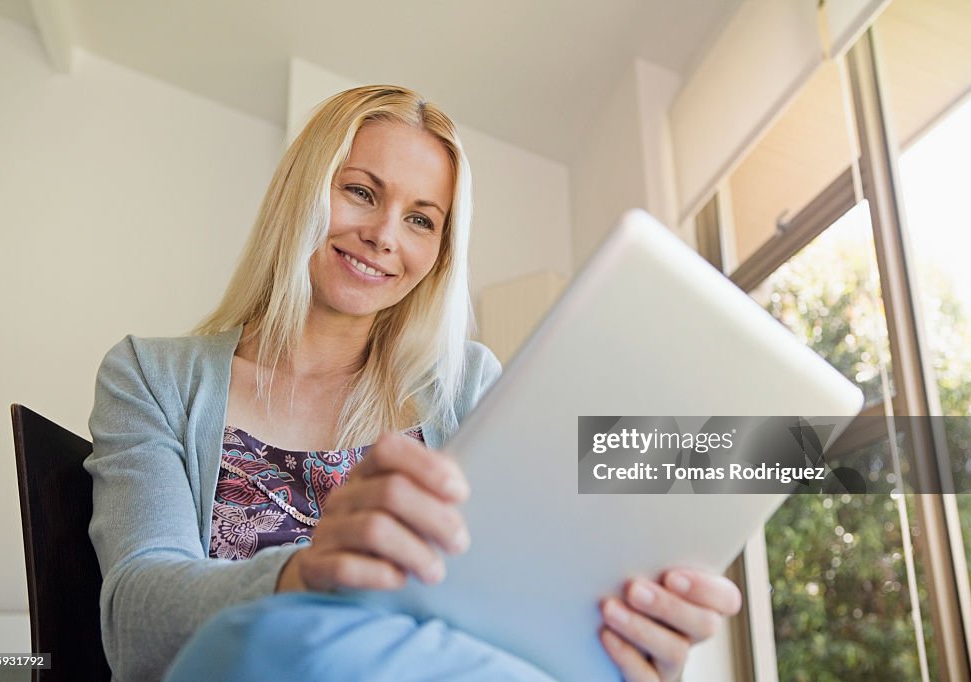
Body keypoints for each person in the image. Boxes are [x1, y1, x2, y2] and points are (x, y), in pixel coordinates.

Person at [85, 85, 741, 682]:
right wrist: (296, 576)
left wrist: (626, 643)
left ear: (439, 256)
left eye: (422, 219)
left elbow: (516, 600)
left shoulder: (466, 388)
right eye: (362, 192)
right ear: (302, 190)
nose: (382, 237)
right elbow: (134, 618)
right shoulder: (151, 375)